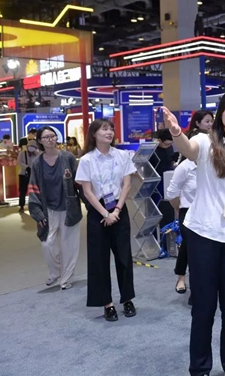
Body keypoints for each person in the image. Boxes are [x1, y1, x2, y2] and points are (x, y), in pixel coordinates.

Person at [162, 90, 225, 376]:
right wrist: (176, 132)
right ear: (221, 113)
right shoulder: (206, 141)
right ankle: (200, 368)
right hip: (204, 234)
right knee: (204, 307)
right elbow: (188, 149)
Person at [75, 119, 137, 322]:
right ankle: (107, 304)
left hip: (119, 208)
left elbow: (127, 184)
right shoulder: (86, 160)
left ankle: (127, 299)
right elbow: (87, 191)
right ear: (94, 134)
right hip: (97, 211)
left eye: (111, 129)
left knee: (124, 257)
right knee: (99, 260)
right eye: (104, 129)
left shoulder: (122, 155)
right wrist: (105, 214)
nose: (109, 132)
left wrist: (117, 210)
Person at [27, 126, 81, 290]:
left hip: (69, 208)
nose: (50, 139)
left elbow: (79, 182)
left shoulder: (68, 158)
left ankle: (66, 278)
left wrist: (92, 203)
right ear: (40, 141)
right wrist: (37, 212)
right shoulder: (37, 163)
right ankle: (55, 272)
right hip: (48, 209)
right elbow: (33, 187)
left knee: (69, 246)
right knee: (47, 243)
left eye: (52, 136)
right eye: (46, 137)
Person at [165, 156, 197, 296]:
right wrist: (179, 209)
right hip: (188, 212)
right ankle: (190, 285)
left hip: (208, 212)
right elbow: (171, 194)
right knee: (193, 248)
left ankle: (183, 276)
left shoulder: (211, 163)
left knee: (191, 247)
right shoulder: (184, 167)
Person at [17, 137, 39, 213]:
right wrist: (27, 167)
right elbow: (20, 162)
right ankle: (21, 205)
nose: (31, 148)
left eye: (33, 146)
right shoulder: (22, 153)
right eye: (30, 146)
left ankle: (33, 205)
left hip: (33, 174)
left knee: (33, 190)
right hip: (23, 174)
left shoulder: (37, 154)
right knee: (22, 190)